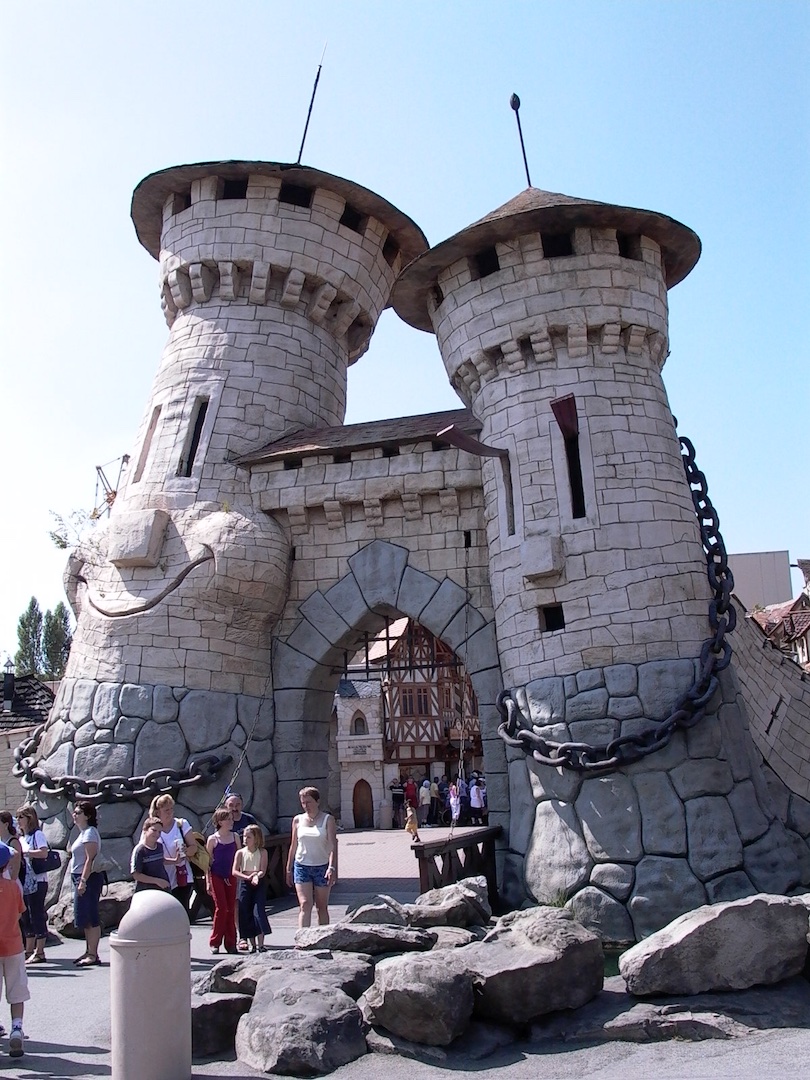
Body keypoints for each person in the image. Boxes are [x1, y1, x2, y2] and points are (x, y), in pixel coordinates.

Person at [285, 787, 337, 929]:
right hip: (302, 865)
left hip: (322, 866)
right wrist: (288, 868)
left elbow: (333, 845)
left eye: (309, 802)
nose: (306, 806)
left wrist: (332, 867)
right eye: (303, 803)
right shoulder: (297, 820)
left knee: (321, 906)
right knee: (305, 904)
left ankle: (323, 935)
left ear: (317, 801)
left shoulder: (327, 819)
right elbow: (293, 845)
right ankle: (303, 936)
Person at [0, 843, 28, 1057]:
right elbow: (19, 913)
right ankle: (16, 1027)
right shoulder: (13, 887)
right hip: (14, 945)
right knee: (16, 990)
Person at [149, 794, 197, 914]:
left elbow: (194, 847)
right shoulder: (152, 829)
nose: (170, 813)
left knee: (181, 911)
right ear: (158, 812)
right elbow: (147, 851)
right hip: (162, 877)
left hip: (182, 875)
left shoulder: (181, 824)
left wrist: (185, 851)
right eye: (166, 810)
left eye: (171, 809)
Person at [70, 801, 104, 967]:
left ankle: (93, 954)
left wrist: (83, 881)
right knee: (84, 916)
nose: (74, 815)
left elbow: (90, 859)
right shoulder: (83, 832)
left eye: (78, 813)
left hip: (88, 878)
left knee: (91, 916)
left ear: (88, 816)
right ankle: (88, 950)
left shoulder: (90, 833)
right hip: (79, 876)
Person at [15, 808, 49, 963]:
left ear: (29, 818)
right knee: (25, 916)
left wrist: (27, 854)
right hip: (25, 881)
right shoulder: (21, 837)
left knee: (36, 914)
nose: (18, 820)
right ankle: (29, 950)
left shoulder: (37, 834)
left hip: (38, 880)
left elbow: (44, 852)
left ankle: (40, 951)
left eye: (21, 817)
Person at [205, 808, 240, 954]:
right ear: (220, 822)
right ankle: (215, 942)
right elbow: (207, 863)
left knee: (231, 908)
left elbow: (240, 856)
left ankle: (231, 943)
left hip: (231, 876)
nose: (231, 822)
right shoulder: (213, 839)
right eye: (228, 819)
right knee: (221, 908)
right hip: (216, 876)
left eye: (231, 819)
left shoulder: (235, 837)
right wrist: (208, 881)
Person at [233, 824, 271, 953]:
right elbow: (234, 871)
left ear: (256, 838)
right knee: (245, 911)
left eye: (248, 837)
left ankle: (261, 944)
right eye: (244, 836)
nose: (245, 839)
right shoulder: (240, 853)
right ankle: (252, 944)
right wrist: (246, 877)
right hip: (245, 883)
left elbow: (263, 870)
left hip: (258, 883)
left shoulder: (262, 852)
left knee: (258, 911)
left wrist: (256, 876)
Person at [131, 818, 171, 893]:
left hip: (164, 888)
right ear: (145, 830)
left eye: (159, 832)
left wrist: (176, 860)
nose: (157, 834)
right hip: (147, 891)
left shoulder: (159, 846)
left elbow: (161, 860)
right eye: (154, 830)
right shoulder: (140, 850)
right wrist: (157, 881)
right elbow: (136, 875)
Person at [0, 815, 22, 889]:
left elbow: (17, 858)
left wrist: (12, 881)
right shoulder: (1, 840)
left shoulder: (13, 841)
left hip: (11, 881)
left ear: (6, 824)